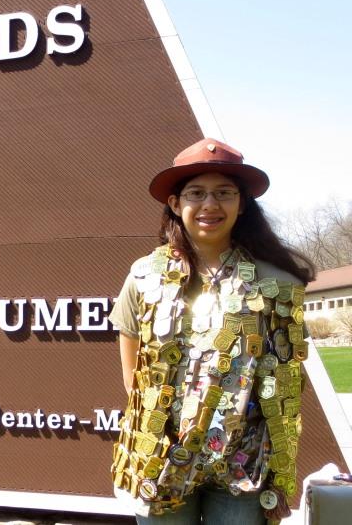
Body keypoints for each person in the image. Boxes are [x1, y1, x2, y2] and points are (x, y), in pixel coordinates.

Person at [109, 138, 315, 524]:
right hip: (163, 459)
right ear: (175, 204)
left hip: (244, 465)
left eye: (224, 193)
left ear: (242, 204)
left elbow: (286, 384)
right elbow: (133, 377)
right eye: (196, 193)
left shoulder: (278, 285)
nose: (209, 205)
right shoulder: (143, 278)